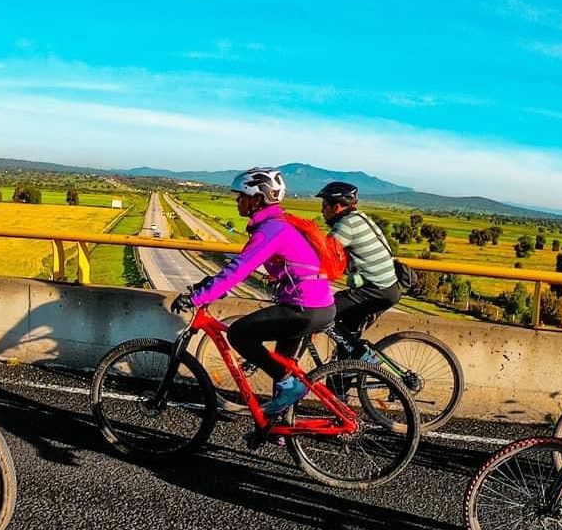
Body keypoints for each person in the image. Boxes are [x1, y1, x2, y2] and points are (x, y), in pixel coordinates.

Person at [171, 168, 336, 416]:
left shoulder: (270, 230)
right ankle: (277, 428)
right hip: (316, 305)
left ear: (257, 198)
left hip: (303, 308)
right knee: (283, 368)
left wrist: (197, 297)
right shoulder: (279, 224)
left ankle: (288, 390)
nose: (237, 200)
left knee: (239, 335)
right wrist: (212, 284)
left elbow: (238, 270)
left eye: (241, 196)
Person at [315, 181, 399, 357]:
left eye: (324, 206)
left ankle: (365, 358)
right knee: (347, 335)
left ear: (337, 206)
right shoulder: (358, 217)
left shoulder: (346, 224)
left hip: (375, 291)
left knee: (322, 309)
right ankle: (342, 374)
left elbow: (323, 255)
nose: (322, 211)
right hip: (383, 289)